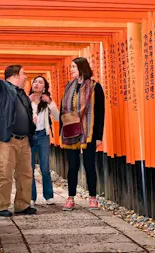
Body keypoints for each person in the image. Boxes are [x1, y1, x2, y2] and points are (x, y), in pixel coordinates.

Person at [0, 34, 37, 217]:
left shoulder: (22, 93)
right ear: (14, 75)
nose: (26, 77)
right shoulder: (2, 88)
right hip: (7, 138)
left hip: (23, 140)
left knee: (25, 174)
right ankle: (1, 206)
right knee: (4, 173)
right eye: (23, 74)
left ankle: (22, 205)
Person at [59, 57, 105, 211]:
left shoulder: (94, 87)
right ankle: (70, 197)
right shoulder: (68, 87)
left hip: (89, 131)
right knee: (72, 166)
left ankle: (93, 197)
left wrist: (99, 136)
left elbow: (100, 112)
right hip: (71, 131)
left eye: (73, 67)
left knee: (89, 164)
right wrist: (62, 131)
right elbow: (63, 111)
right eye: (71, 67)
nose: (71, 69)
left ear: (82, 68)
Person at [28, 76, 60, 207]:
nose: (36, 84)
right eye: (35, 81)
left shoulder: (47, 101)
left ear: (44, 87)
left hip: (42, 136)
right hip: (29, 136)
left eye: (40, 82)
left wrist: (50, 102)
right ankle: (31, 197)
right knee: (29, 168)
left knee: (45, 167)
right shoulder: (27, 99)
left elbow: (58, 117)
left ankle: (49, 195)